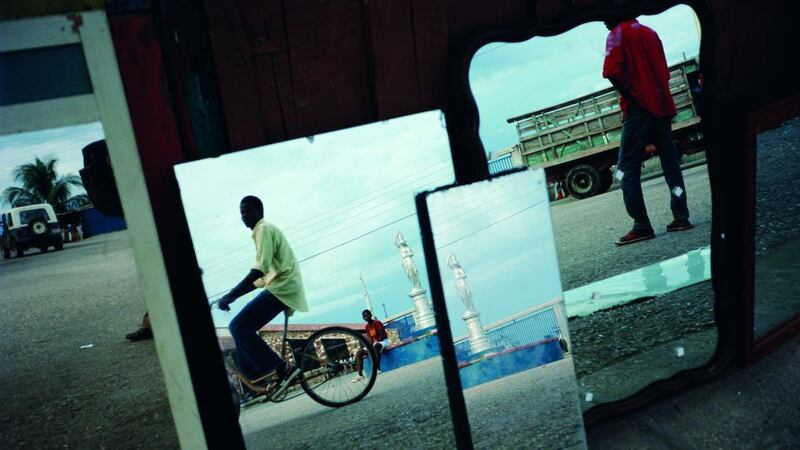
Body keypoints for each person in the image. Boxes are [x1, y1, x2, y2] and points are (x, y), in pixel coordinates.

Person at [602, 14, 694, 246]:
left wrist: (633, 99)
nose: (603, 20)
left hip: (638, 111)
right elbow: (663, 72)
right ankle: (681, 216)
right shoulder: (650, 33)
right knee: (671, 165)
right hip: (662, 106)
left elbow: (612, 72)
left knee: (624, 171)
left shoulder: (616, 35)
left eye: (604, 14)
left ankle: (641, 225)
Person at [217, 195, 309, 391]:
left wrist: (230, 295)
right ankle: (259, 381)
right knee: (241, 330)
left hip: (282, 287)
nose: (244, 215)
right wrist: (231, 296)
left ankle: (282, 368)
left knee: (237, 326)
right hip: (282, 286)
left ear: (259, 211)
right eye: (242, 213)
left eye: (248, 211)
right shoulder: (262, 232)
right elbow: (260, 280)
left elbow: (260, 268)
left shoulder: (263, 229)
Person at [353, 309, 389, 382]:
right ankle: (360, 375)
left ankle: (377, 369)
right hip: (374, 343)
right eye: (364, 316)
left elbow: (382, 335)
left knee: (376, 346)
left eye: (367, 315)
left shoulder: (377, 322)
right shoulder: (367, 326)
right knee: (359, 353)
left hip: (383, 341)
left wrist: (376, 342)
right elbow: (369, 338)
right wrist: (368, 346)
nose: (366, 317)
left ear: (371, 315)